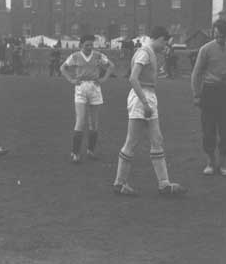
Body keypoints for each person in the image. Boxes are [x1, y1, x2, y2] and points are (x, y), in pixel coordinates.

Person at [113, 26, 187, 196]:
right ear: (159, 38)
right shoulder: (144, 52)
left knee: (157, 139)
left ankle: (164, 184)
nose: (164, 47)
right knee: (132, 141)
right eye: (164, 43)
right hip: (141, 97)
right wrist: (145, 103)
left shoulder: (151, 53)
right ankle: (119, 183)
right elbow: (133, 78)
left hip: (148, 96)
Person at [191, 19, 226, 176]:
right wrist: (196, 95)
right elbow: (196, 73)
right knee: (208, 129)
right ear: (213, 33)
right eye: (216, 36)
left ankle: (222, 164)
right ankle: (210, 162)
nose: (219, 39)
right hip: (209, 92)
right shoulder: (206, 49)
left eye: (222, 36)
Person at [60, 34, 115, 163]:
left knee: (94, 123)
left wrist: (103, 79)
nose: (89, 47)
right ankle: (75, 153)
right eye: (87, 45)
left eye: (91, 45)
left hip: (95, 88)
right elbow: (63, 68)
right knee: (80, 120)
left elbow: (111, 66)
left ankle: (91, 150)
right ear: (81, 45)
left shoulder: (98, 55)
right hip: (81, 88)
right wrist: (71, 80)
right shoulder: (75, 56)